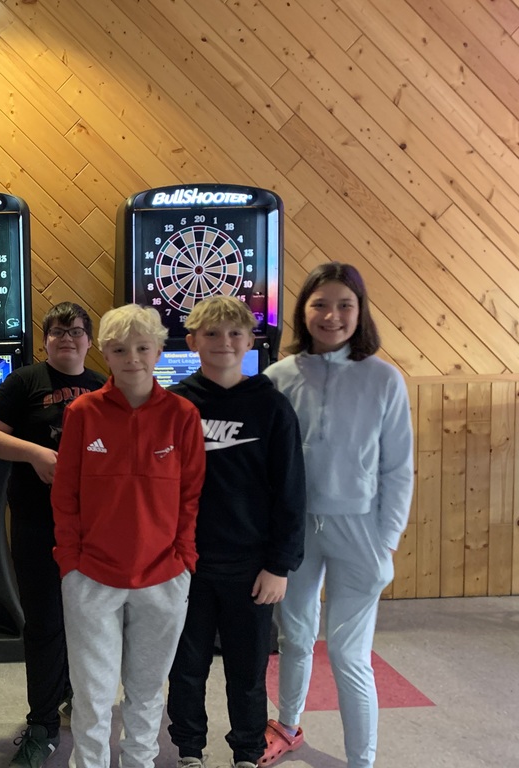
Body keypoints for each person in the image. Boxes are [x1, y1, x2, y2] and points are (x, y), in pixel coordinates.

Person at [260, 263, 414, 768]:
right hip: (296, 530)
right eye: (320, 304)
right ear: (303, 312)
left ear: (360, 312)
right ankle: (287, 725)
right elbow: (263, 464)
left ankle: (361, 760)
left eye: (345, 305)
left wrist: (386, 542)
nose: (332, 315)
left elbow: (398, 469)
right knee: (296, 636)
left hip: (359, 530)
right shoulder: (278, 378)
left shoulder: (384, 380)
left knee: (350, 655)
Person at [51, 303, 206, 768]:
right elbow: (66, 493)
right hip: (91, 578)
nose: (132, 358)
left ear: (159, 350)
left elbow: (192, 496)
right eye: (120, 349)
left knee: (145, 693)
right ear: (106, 354)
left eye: (142, 347)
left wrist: (183, 559)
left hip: (163, 577)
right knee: (92, 696)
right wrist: (71, 563)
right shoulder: (83, 412)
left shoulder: (182, 415)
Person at [164, 296, 306, 768]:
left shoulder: (271, 406)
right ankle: (188, 750)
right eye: (211, 334)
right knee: (186, 669)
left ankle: (247, 751)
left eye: (233, 334)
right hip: (186, 564)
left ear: (250, 341)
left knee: (248, 672)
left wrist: (278, 565)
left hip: (251, 567)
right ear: (191, 341)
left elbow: (290, 491)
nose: (223, 343)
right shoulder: (176, 404)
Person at [0, 301, 106, 768]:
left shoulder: (102, 385)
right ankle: (42, 723)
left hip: (93, 526)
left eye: (76, 331)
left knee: (88, 622)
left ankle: (73, 694)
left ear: (90, 340)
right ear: (45, 340)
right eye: (57, 331)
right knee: (45, 622)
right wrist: (36, 454)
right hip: (36, 522)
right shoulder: (23, 382)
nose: (67, 338)